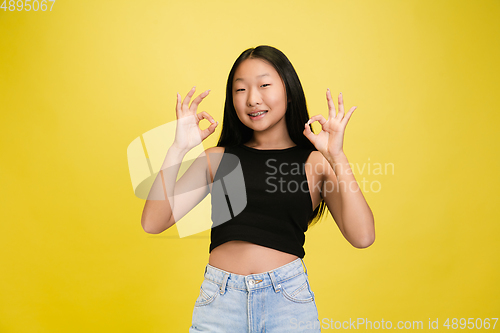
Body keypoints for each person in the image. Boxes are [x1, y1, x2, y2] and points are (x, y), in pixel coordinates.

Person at [141, 45, 375, 332]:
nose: (252, 99)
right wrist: (178, 148)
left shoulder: (315, 162)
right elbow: (153, 222)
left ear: (288, 91)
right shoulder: (218, 158)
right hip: (220, 303)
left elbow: (363, 236)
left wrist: (337, 156)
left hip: (287, 303)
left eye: (264, 85)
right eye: (240, 90)